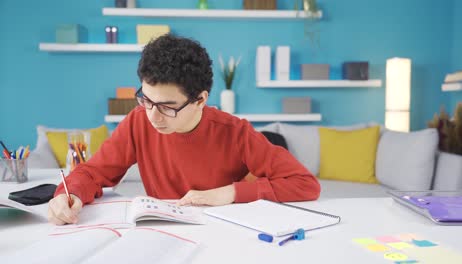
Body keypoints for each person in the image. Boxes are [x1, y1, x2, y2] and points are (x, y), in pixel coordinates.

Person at [48, 34, 321, 225]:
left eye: (167, 106)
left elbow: (305, 185)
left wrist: (230, 192)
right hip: (160, 231)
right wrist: (68, 194)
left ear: (200, 99)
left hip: (224, 235)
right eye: (147, 99)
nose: (153, 116)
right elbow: (93, 172)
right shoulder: (138, 120)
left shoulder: (235, 132)